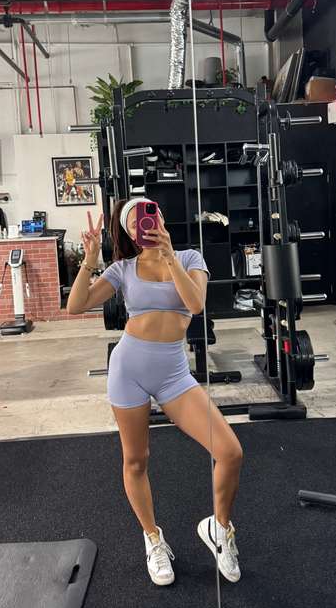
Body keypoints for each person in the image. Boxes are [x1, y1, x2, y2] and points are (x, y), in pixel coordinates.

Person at [67, 198, 243, 586]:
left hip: (173, 374)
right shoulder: (123, 268)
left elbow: (195, 304)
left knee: (230, 452)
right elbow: (76, 305)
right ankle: (153, 538)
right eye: (135, 222)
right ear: (130, 233)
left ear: (160, 217)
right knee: (136, 460)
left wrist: (169, 256)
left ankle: (219, 528)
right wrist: (90, 260)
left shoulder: (190, 258)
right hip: (128, 369)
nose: (144, 224)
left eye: (149, 214)